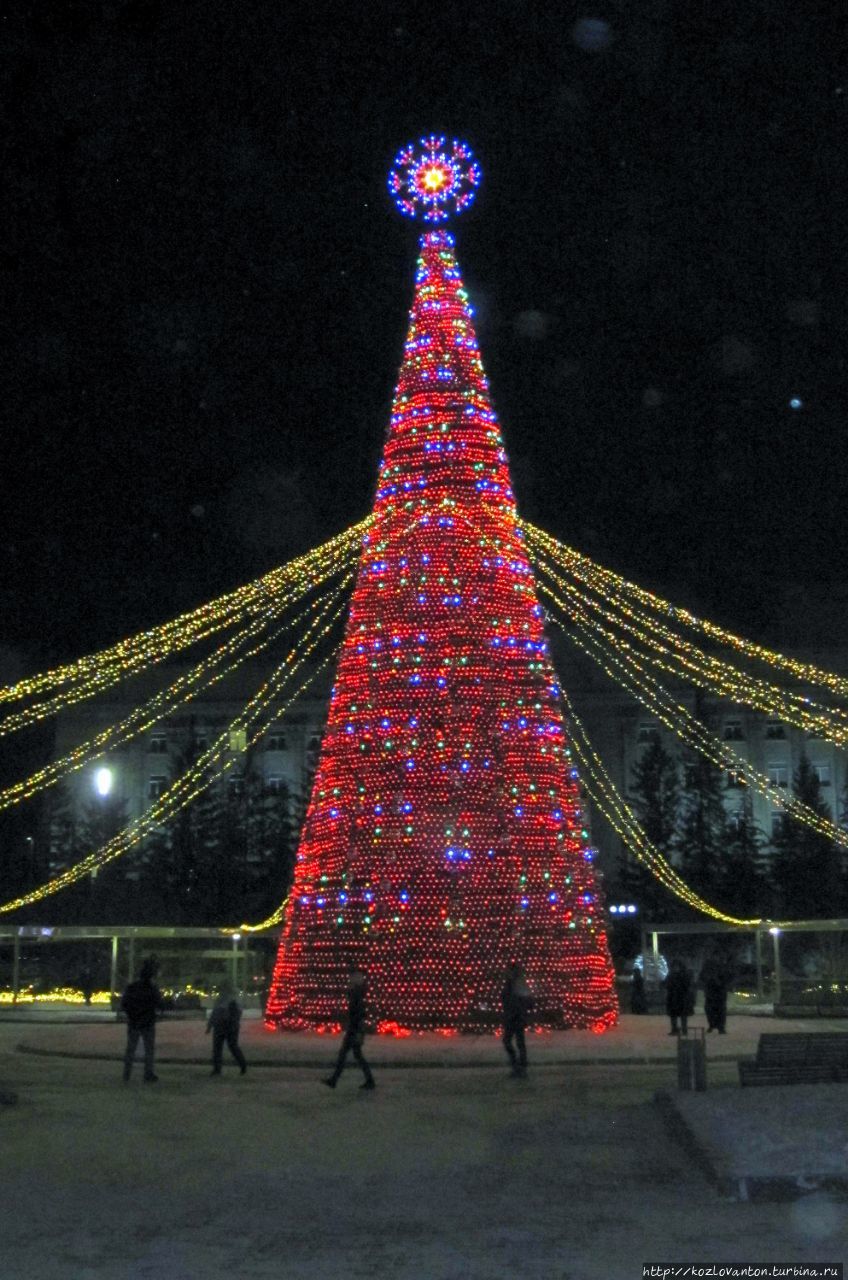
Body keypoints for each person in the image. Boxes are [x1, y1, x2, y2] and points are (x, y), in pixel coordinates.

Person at [323, 968, 375, 1091]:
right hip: (354, 1030)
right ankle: (369, 1080)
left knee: (344, 1054)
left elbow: (358, 1014)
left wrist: (357, 1032)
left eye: (351, 979)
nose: (349, 981)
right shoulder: (356, 994)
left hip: (354, 1030)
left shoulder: (356, 995)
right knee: (356, 1056)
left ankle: (334, 1080)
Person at [120, 956, 165, 1083]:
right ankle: (148, 1074)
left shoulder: (132, 987)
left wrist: (131, 1014)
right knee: (149, 1050)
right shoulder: (152, 988)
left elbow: (124, 1003)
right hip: (147, 1022)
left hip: (134, 1021)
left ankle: (126, 1074)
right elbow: (159, 1003)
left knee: (130, 1049)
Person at [206, 979, 247, 1076]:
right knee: (230, 1047)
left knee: (220, 1048)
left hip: (224, 1026)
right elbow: (216, 1013)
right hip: (228, 1026)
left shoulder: (227, 999)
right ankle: (241, 1065)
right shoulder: (233, 998)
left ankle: (218, 1069)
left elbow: (215, 1013)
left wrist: (210, 1025)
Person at [502, 960, 535, 1077]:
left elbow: (528, 1002)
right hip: (516, 1017)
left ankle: (518, 1066)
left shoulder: (515, 984)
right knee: (518, 1042)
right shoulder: (515, 984)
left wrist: (519, 1009)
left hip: (514, 1017)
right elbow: (530, 1002)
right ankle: (520, 1066)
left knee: (510, 1041)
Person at [700, 950, 732, 1034]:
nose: (716, 958)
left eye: (717, 957)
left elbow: (728, 977)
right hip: (710, 992)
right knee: (710, 1010)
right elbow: (702, 976)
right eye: (714, 957)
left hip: (720, 992)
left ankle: (721, 1027)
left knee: (720, 1011)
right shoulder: (707, 966)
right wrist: (709, 980)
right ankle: (712, 1025)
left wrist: (720, 982)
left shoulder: (723, 966)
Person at [665, 958, 694, 1036]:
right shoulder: (671, 975)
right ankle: (674, 1029)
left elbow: (687, 985)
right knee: (673, 1015)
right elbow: (666, 984)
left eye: (677, 966)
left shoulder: (683, 975)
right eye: (674, 967)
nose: (676, 968)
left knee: (683, 1016)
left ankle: (684, 1030)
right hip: (673, 998)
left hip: (681, 998)